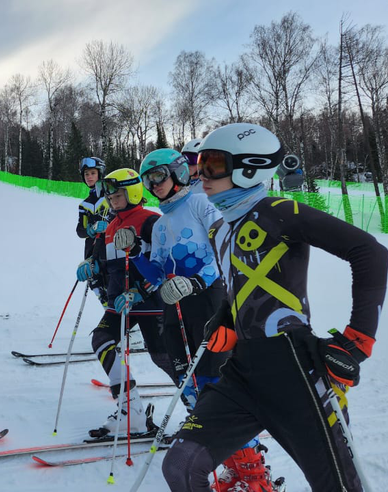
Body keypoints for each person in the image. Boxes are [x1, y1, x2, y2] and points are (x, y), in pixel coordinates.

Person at [161, 122, 387, 492]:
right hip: (242, 374)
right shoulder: (220, 229)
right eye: (200, 165)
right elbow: (239, 289)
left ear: (249, 167)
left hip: (296, 370)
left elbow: (370, 254)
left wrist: (357, 340)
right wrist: (226, 320)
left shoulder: (281, 211)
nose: (202, 175)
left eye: (214, 165)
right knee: (182, 466)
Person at [129, 149, 229, 411]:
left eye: (159, 176)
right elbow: (158, 274)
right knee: (185, 375)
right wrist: (136, 253)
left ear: (178, 172)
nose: (154, 185)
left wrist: (196, 282)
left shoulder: (200, 204)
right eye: (148, 180)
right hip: (174, 303)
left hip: (207, 298)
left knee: (212, 373)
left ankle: (239, 447)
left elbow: (224, 249)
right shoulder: (162, 224)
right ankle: (198, 424)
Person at [78, 168, 173, 438]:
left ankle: (201, 408)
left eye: (117, 194)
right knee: (102, 339)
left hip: (151, 302)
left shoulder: (151, 221)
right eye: (109, 195)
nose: (112, 199)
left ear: (133, 192)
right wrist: (91, 265)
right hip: (119, 303)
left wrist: (141, 291)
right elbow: (106, 263)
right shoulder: (110, 226)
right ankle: (130, 411)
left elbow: (163, 264)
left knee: (164, 357)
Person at [76, 156, 111, 306]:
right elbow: (79, 230)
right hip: (92, 250)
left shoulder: (110, 197)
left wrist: (108, 226)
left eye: (92, 173)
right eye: (86, 174)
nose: (89, 177)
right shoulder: (85, 204)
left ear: (100, 173)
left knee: (113, 282)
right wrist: (89, 230)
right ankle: (108, 313)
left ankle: (125, 319)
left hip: (110, 248)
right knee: (96, 284)